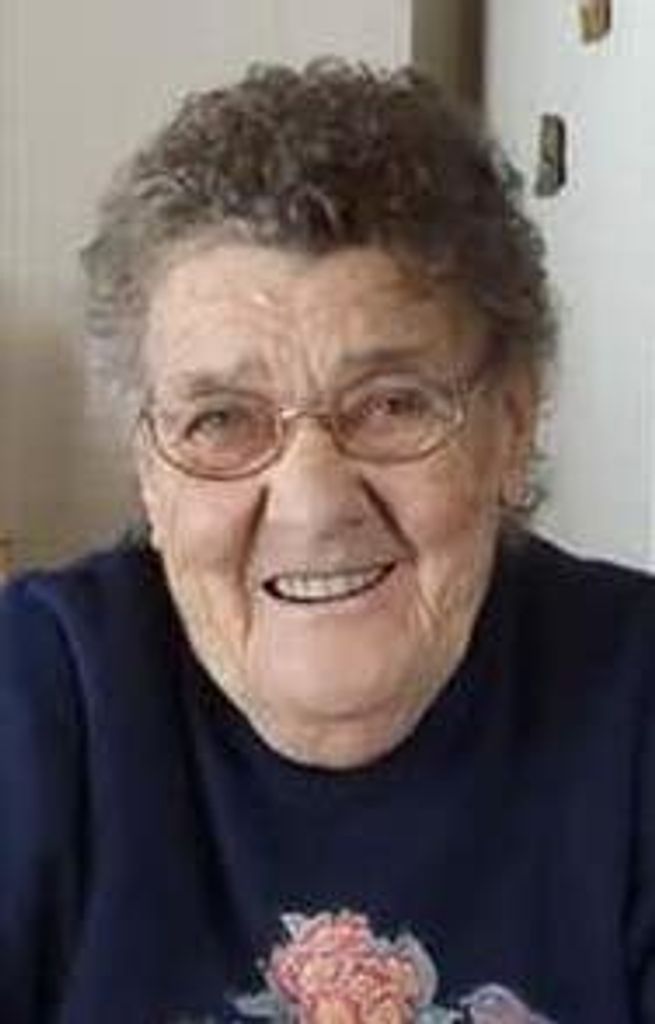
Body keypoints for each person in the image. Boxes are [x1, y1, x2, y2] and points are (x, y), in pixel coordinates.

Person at [0, 60, 653, 1024]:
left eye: (390, 405)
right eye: (221, 420)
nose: (311, 505)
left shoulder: (635, 697)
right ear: (150, 473)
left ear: (512, 425)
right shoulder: (39, 690)